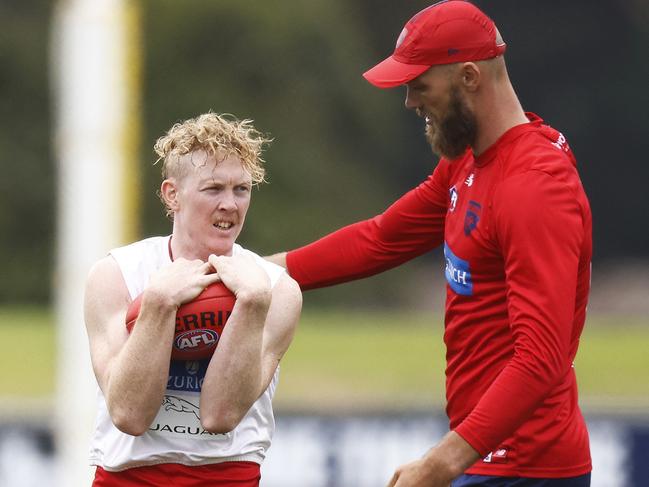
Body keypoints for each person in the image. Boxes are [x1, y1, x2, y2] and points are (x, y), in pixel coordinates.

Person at [267, 1, 592, 486]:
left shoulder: (533, 186)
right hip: (487, 458)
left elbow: (539, 357)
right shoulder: (469, 161)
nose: (410, 102)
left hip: (528, 470)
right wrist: (251, 274)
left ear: (468, 77)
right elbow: (380, 239)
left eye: (419, 86)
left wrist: (441, 462)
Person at [84, 112, 302, 486]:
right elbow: (129, 414)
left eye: (242, 189)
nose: (230, 205)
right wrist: (158, 304)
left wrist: (251, 304)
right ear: (173, 194)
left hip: (227, 476)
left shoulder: (275, 289)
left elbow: (219, 416)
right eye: (213, 189)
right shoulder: (117, 274)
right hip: (128, 478)